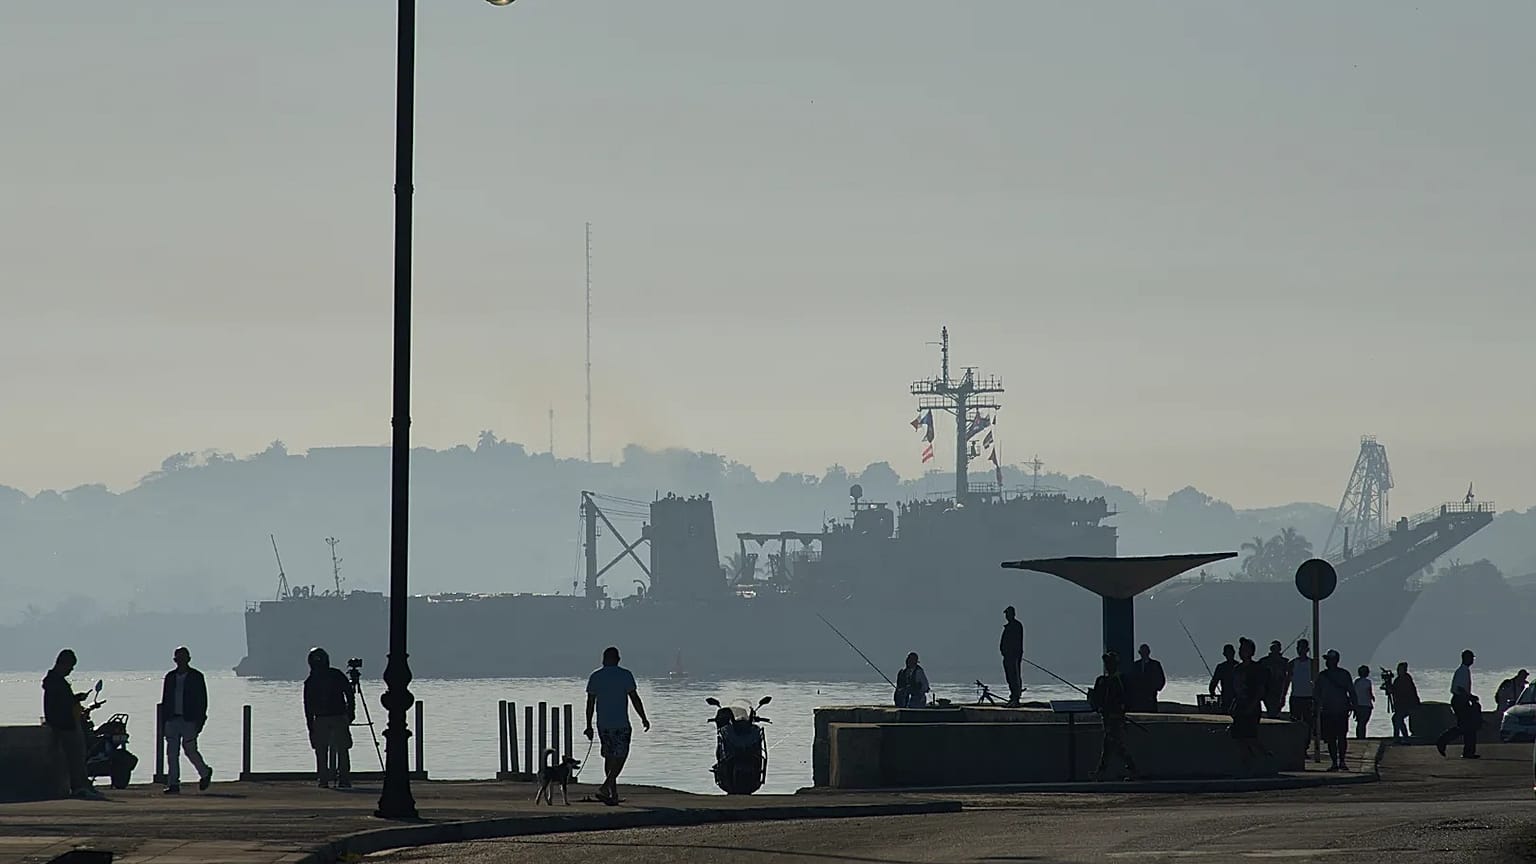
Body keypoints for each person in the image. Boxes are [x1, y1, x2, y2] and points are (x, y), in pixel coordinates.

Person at [584, 646, 650, 806]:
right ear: (618, 659)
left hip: (603, 724)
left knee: (609, 757)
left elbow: (590, 703)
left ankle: (612, 794)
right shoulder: (625, 675)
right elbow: (634, 698)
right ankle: (606, 787)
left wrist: (588, 725)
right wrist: (643, 718)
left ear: (603, 659)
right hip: (621, 723)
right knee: (620, 756)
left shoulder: (596, 676)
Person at [43, 649, 100, 799]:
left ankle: (81, 785)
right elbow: (61, 704)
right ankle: (79, 786)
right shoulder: (56, 682)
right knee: (75, 758)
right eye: (70, 667)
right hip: (65, 725)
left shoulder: (53, 681)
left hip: (64, 724)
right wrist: (75, 700)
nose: (70, 670)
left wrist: (75, 699)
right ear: (63, 664)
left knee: (76, 758)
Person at [159, 646, 212, 794]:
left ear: (188, 659)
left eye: (183, 657)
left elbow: (202, 701)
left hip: (189, 720)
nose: (180, 660)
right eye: (178, 658)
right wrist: (163, 722)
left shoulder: (196, 676)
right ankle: (173, 784)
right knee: (171, 753)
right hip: (172, 719)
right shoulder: (170, 677)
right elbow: (165, 700)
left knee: (190, 750)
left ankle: (205, 772)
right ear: (175, 660)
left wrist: (200, 721)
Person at [303, 647, 355, 788]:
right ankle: (343, 778)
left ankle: (324, 779)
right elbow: (349, 693)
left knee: (321, 750)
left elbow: (307, 706)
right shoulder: (336, 675)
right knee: (342, 749)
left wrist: (310, 726)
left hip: (321, 719)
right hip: (338, 716)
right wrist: (351, 711)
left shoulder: (311, 680)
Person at [1088, 651, 1136, 780]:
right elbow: (1096, 699)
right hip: (1106, 718)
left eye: (1110, 663)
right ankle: (1104, 771)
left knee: (1112, 744)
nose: (1108, 666)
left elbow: (1127, 699)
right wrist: (1095, 703)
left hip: (1116, 719)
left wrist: (1120, 710)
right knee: (1110, 745)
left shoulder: (1121, 680)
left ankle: (1129, 768)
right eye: (1107, 663)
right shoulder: (1101, 680)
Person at [1229, 638, 1269, 775]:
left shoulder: (1257, 669)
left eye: (1244, 650)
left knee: (1250, 737)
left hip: (1252, 707)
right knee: (1238, 738)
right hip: (1239, 706)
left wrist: (1251, 706)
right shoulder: (1237, 669)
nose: (1241, 652)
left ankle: (1266, 758)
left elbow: (1260, 690)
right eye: (1240, 650)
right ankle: (1246, 765)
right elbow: (1236, 690)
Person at [1315, 650, 1358, 771]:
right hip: (1327, 711)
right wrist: (1317, 707)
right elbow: (1316, 693)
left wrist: (1355, 707)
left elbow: (1351, 691)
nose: (1328, 662)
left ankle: (1342, 761)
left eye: (1330, 660)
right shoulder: (1322, 675)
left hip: (1341, 710)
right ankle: (1334, 762)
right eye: (1327, 660)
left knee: (1341, 737)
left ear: (1336, 660)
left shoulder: (1344, 674)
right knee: (1331, 739)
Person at [1436, 649, 1481, 759]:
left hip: (1462, 700)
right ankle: (1443, 740)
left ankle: (1468, 751)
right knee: (1465, 726)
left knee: (1466, 727)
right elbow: (1459, 688)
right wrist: (1470, 697)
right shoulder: (1462, 671)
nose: (1472, 661)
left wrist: (1470, 697)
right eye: (1471, 658)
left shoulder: (1464, 671)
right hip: (1459, 701)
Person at [1289, 639, 1316, 737]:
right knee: (1295, 721)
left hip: (1308, 697)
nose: (1301, 650)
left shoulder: (1312, 663)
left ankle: (1307, 740)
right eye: (1299, 648)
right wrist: (1283, 696)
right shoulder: (1292, 663)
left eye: (1303, 648)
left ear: (1307, 649)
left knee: (1308, 722)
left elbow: (1316, 680)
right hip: (1295, 696)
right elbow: (1288, 680)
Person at [1258, 641, 1292, 719]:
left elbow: (1288, 676)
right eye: (1273, 648)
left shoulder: (1285, 662)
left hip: (1279, 691)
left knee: (1276, 710)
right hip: (1268, 691)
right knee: (1270, 711)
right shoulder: (1264, 661)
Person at [1388, 661, 1420, 742]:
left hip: (1406, 704)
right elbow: (1395, 690)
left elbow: (1403, 691)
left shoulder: (1405, 679)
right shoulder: (1399, 679)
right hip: (1401, 705)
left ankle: (1400, 737)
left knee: (1397, 719)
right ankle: (1401, 737)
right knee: (1397, 719)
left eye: (1400, 669)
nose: (1398, 671)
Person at [1130, 644, 1166, 713]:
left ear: (1148, 652)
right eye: (1142, 652)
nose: (1144, 653)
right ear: (1139, 653)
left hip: (1151, 695)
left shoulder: (1155, 664)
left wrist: (1156, 688)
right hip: (1138, 696)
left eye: (1145, 651)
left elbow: (1161, 679)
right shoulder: (1135, 665)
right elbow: (1131, 679)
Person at [1000, 607, 1024, 706]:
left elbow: (1017, 642)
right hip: (1007, 656)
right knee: (1009, 677)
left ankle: (1015, 698)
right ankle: (1013, 697)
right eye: (1006, 614)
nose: (1006, 616)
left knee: (1015, 677)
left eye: (1008, 614)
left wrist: (1015, 654)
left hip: (1013, 656)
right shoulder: (1009, 626)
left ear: (1012, 614)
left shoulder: (1016, 626)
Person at [1209, 644, 1239, 711]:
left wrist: (1212, 691)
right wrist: (1212, 690)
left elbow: (1214, 681)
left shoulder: (1221, 667)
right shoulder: (1239, 666)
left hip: (1233, 696)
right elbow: (1214, 681)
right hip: (1229, 696)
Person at [1352, 665, 1375, 741]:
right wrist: (1372, 697)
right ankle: (1362, 737)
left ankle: (1359, 736)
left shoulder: (1356, 681)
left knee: (1359, 722)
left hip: (1358, 704)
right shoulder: (1368, 682)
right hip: (1366, 705)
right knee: (1364, 722)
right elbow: (1369, 692)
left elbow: (1354, 693)